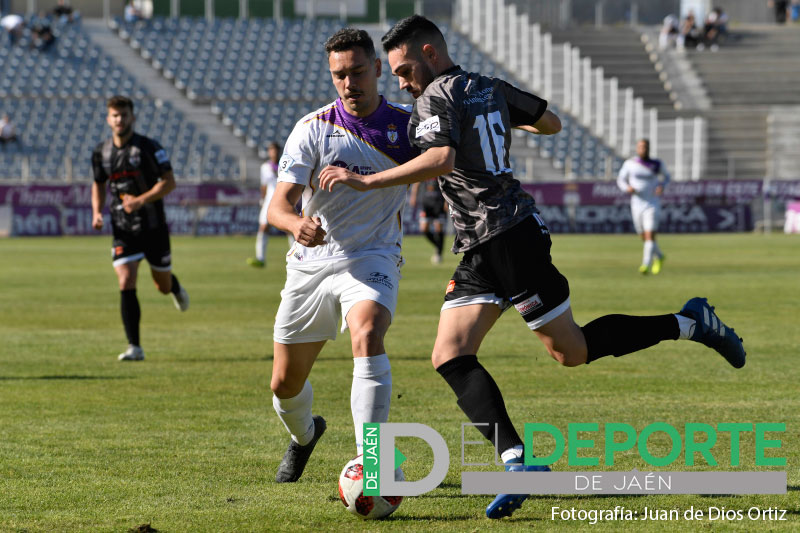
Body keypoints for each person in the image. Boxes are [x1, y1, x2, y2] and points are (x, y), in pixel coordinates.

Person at [319, 15, 746, 519]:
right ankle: (516, 461)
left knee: (571, 351)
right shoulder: (487, 86)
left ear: (431, 53)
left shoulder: (434, 95)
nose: (402, 81)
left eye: (405, 68)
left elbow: (441, 159)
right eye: (394, 74)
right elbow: (550, 122)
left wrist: (366, 182)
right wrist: (493, 121)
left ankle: (690, 322)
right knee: (450, 355)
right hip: (481, 245)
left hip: (507, 237)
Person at [267, 28, 418, 484]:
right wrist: (297, 224)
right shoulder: (312, 128)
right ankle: (305, 435)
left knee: (368, 333)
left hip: (373, 255)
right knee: (283, 385)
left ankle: (371, 466)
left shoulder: (411, 125)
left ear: (377, 69)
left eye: (357, 71)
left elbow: (449, 155)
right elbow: (277, 206)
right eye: (339, 75)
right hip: (311, 263)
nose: (349, 83)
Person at [91, 95, 190, 362]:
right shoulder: (101, 152)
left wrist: (141, 200)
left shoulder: (148, 147)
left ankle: (175, 286)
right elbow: (98, 183)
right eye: (114, 115)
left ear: (132, 117)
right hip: (122, 227)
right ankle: (135, 346)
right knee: (126, 279)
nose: (119, 120)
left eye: (123, 115)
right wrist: (97, 212)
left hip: (153, 226)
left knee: (162, 284)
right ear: (108, 119)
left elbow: (169, 182)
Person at [617, 138, 670, 275]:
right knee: (644, 236)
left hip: (652, 203)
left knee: (650, 234)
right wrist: (627, 188)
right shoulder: (630, 164)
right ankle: (659, 256)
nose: (643, 149)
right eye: (641, 146)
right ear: (637, 148)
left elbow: (667, 177)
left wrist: (662, 186)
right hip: (636, 204)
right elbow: (621, 179)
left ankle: (645, 264)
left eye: (645, 147)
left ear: (648, 148)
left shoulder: (656, 164)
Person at [248, 142, 281, 268]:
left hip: (282, 198)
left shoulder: (285, 164)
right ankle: (260, 258)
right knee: (263, 227)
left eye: (275, 150)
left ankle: (299, 256)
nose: (273, 152)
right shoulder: (265, 167)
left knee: (290, 229)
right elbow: (264, 185)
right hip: (269, 200)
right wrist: (262, 199)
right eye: (271, 150)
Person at [410, 179, 447, 263]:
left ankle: (439, 254)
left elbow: (447, 186)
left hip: (439, 203)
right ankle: (438, 246)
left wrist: (446, 201)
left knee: (438, 228)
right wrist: (413, 197)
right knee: (424, 229)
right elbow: (416, 183)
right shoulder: (427, 170)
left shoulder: (441, 171)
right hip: (426, 203)